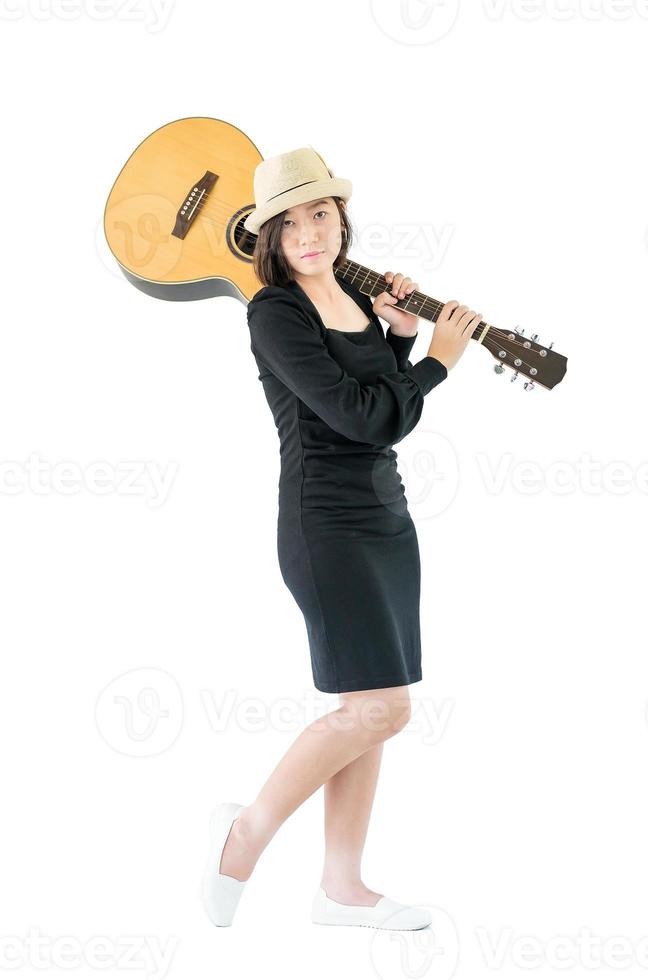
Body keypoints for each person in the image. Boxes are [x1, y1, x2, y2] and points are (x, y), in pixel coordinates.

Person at [201, 147, 481, 930]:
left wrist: (395, 340)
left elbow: (375, 407)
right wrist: (437, 364)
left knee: (372, 704)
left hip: (387, 517)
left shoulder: (358, 301)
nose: (310, 233)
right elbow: (361, 419)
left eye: (320, 213)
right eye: (290, 223)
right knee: (382, 710)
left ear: (340, 218)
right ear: (271, 239)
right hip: (324, 522)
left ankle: (342, 888)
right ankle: (245, 831)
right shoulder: (276, 313)